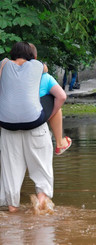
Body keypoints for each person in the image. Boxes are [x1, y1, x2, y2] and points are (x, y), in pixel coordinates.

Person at [0, 42, 54, 213]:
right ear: (33, 56)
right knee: (41, 167)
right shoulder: (38, 65)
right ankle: (41, 201)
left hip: (7, 124)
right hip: (34, 123)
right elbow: (45, 70)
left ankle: (12, 209)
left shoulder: (4, 63)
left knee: (10, 170)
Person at [29, 43, 72, 155]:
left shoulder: (8, 75)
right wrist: (49, 115)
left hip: (9, 126)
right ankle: (59, 143)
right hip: (36, 123)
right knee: (55, 102)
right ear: (35, 58)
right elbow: (62, 96)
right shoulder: (44, 77)